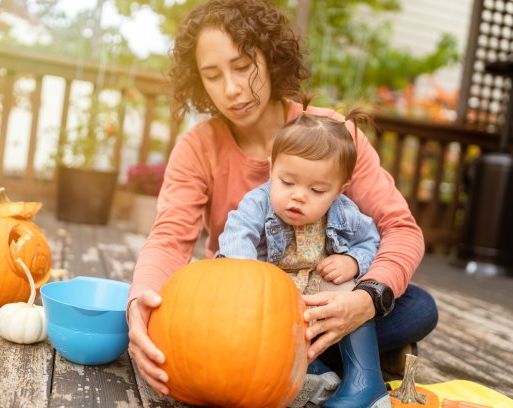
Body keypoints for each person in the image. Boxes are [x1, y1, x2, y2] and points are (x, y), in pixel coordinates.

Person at [127, 0, 438, 406]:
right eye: (212, 75)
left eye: (243, 66)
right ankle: (327, 362)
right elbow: (168, 239)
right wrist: (139, 307)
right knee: (141, 308)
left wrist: (363, 301)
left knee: (418, 307)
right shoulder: (199, 147)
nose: (232, 89)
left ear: (271, 58)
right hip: (239, 312)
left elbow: (401, 229)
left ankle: (312, 362)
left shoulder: (333, 135)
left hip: (324, 294)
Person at [216, 99, 389, 407]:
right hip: (269, 302)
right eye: (287, 181)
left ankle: (366, 383)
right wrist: (247, 280)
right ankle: (313, 371)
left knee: (348, 290)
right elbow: (237, 233)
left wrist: (352, 261)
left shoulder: (345, 212)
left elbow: (371, 240)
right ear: (272, 167)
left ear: (340, 189)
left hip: (318, 302)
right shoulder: (258, 203)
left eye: (317, 191)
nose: (298, 195)